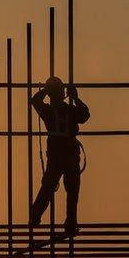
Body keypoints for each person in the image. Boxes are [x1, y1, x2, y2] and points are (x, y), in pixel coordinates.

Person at [29, 76, 90, 237]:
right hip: (66, 154)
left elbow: (35, 101)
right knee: (69, 190)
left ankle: (36, 216)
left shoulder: (51, 110)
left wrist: (46, 90)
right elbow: (85, 114)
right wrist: (75, 97)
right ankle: (68, 224)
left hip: (61, 154)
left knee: (51, 187)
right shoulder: (60, 110)